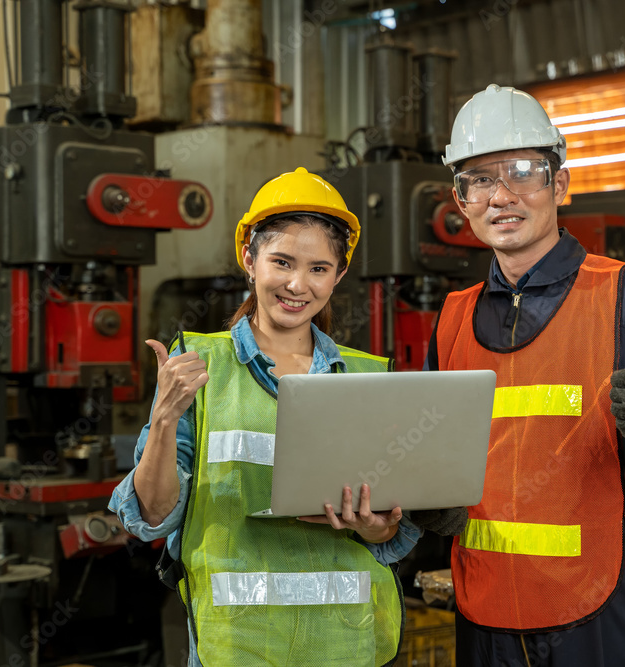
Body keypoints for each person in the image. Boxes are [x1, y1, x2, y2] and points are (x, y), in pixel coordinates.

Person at [425, 84, 625, 666]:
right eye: (479, 178)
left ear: (561, 184)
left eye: (524, 171)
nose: (502, 195)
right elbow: (429, 459)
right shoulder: (451, 320)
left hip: (602, 608)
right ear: (461, 198)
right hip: (484, 610)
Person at [109, 167, 421, 667]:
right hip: (237, 648)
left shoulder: (368, 376)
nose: (298, 285)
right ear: (249, 260)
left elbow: (390, 534)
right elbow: (151, 516)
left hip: (349, 647)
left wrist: (375, 527)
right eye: (282, 262)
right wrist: (164, 422)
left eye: (319, 269)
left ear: (339, 275)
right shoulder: (197, 364)